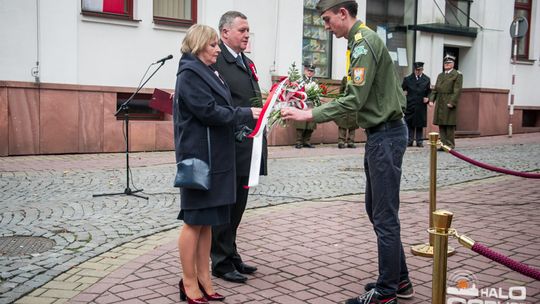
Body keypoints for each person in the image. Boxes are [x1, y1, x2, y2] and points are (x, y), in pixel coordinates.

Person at [281, 1, 413, 303]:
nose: (326, 27)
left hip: (386, 135)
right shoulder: (360, 41)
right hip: (382, 134)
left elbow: (353, 100)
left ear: (343, 13)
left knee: (384, 216)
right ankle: (399, 279)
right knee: (377, 210)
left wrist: (309, 115)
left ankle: (386, 291)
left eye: (328, 20)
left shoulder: (363, 44)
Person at [173, 24, 261, 303]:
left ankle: (204, 278)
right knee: (193, 221)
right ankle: (188, 282)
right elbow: (208, 112)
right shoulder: (189, 74)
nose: (217, 49)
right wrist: (246, 113)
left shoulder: (209, 71)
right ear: (199, 46)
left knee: (207, 222)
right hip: (199, 158)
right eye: (213, 45)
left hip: (215, 156)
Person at [210, 11, 268, 284]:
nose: (247, 34)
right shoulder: (216, 61)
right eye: (242, 30)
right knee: (226, 203)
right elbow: (219, 105)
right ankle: (219, 261)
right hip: (229, 144)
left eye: (248, 30)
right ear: (225, 33)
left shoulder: (247, 62)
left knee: (239, 204)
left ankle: (231, 253)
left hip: (248, 143)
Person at [429, 54, 463, 149]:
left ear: (453, 64)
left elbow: (457, 90)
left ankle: (450, 145)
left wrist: (452, 102)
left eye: (449, 63)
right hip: (440, 101)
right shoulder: (440, 75)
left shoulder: (457, 74)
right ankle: (443, 144)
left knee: (449, 124)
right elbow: (435, 89)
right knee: (442, 124)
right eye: (445, 63)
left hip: (449, 101)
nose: (446, 65)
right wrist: (432, 100)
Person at [402, 61, 431, 147]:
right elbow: (402, 88)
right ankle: (409, 140)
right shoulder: (408, 79)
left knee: (419, 123)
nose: (418, 72)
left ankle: (419, 141)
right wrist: (404, 93)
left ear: (422, 70)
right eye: (417, 70)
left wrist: (428, 98)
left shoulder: (426, 79)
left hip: (421, 105)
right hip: (410, 104)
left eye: (420, 70)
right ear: (414, 70)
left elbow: (430, 91)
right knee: (409, 123)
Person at [293, 62, 319, 149]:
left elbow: (318, 93)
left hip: (311, 104)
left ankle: (306, 141)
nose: (310, 73)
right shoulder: (300, 81)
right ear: (304, 71)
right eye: (308, 71)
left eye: (311, 71)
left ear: (314, 73)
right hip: (302, 104)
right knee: (301, 123)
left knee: (311, 123)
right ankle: (298, 142)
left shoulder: (315, 82)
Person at [335, 76, 359, 148]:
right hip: (345, 102)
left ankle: (351, 141)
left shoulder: (358, 78)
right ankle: (341, 141)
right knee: (343, 122)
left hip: (354, 103)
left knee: (353, 124)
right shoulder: (345, 79)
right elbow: (341, 91)